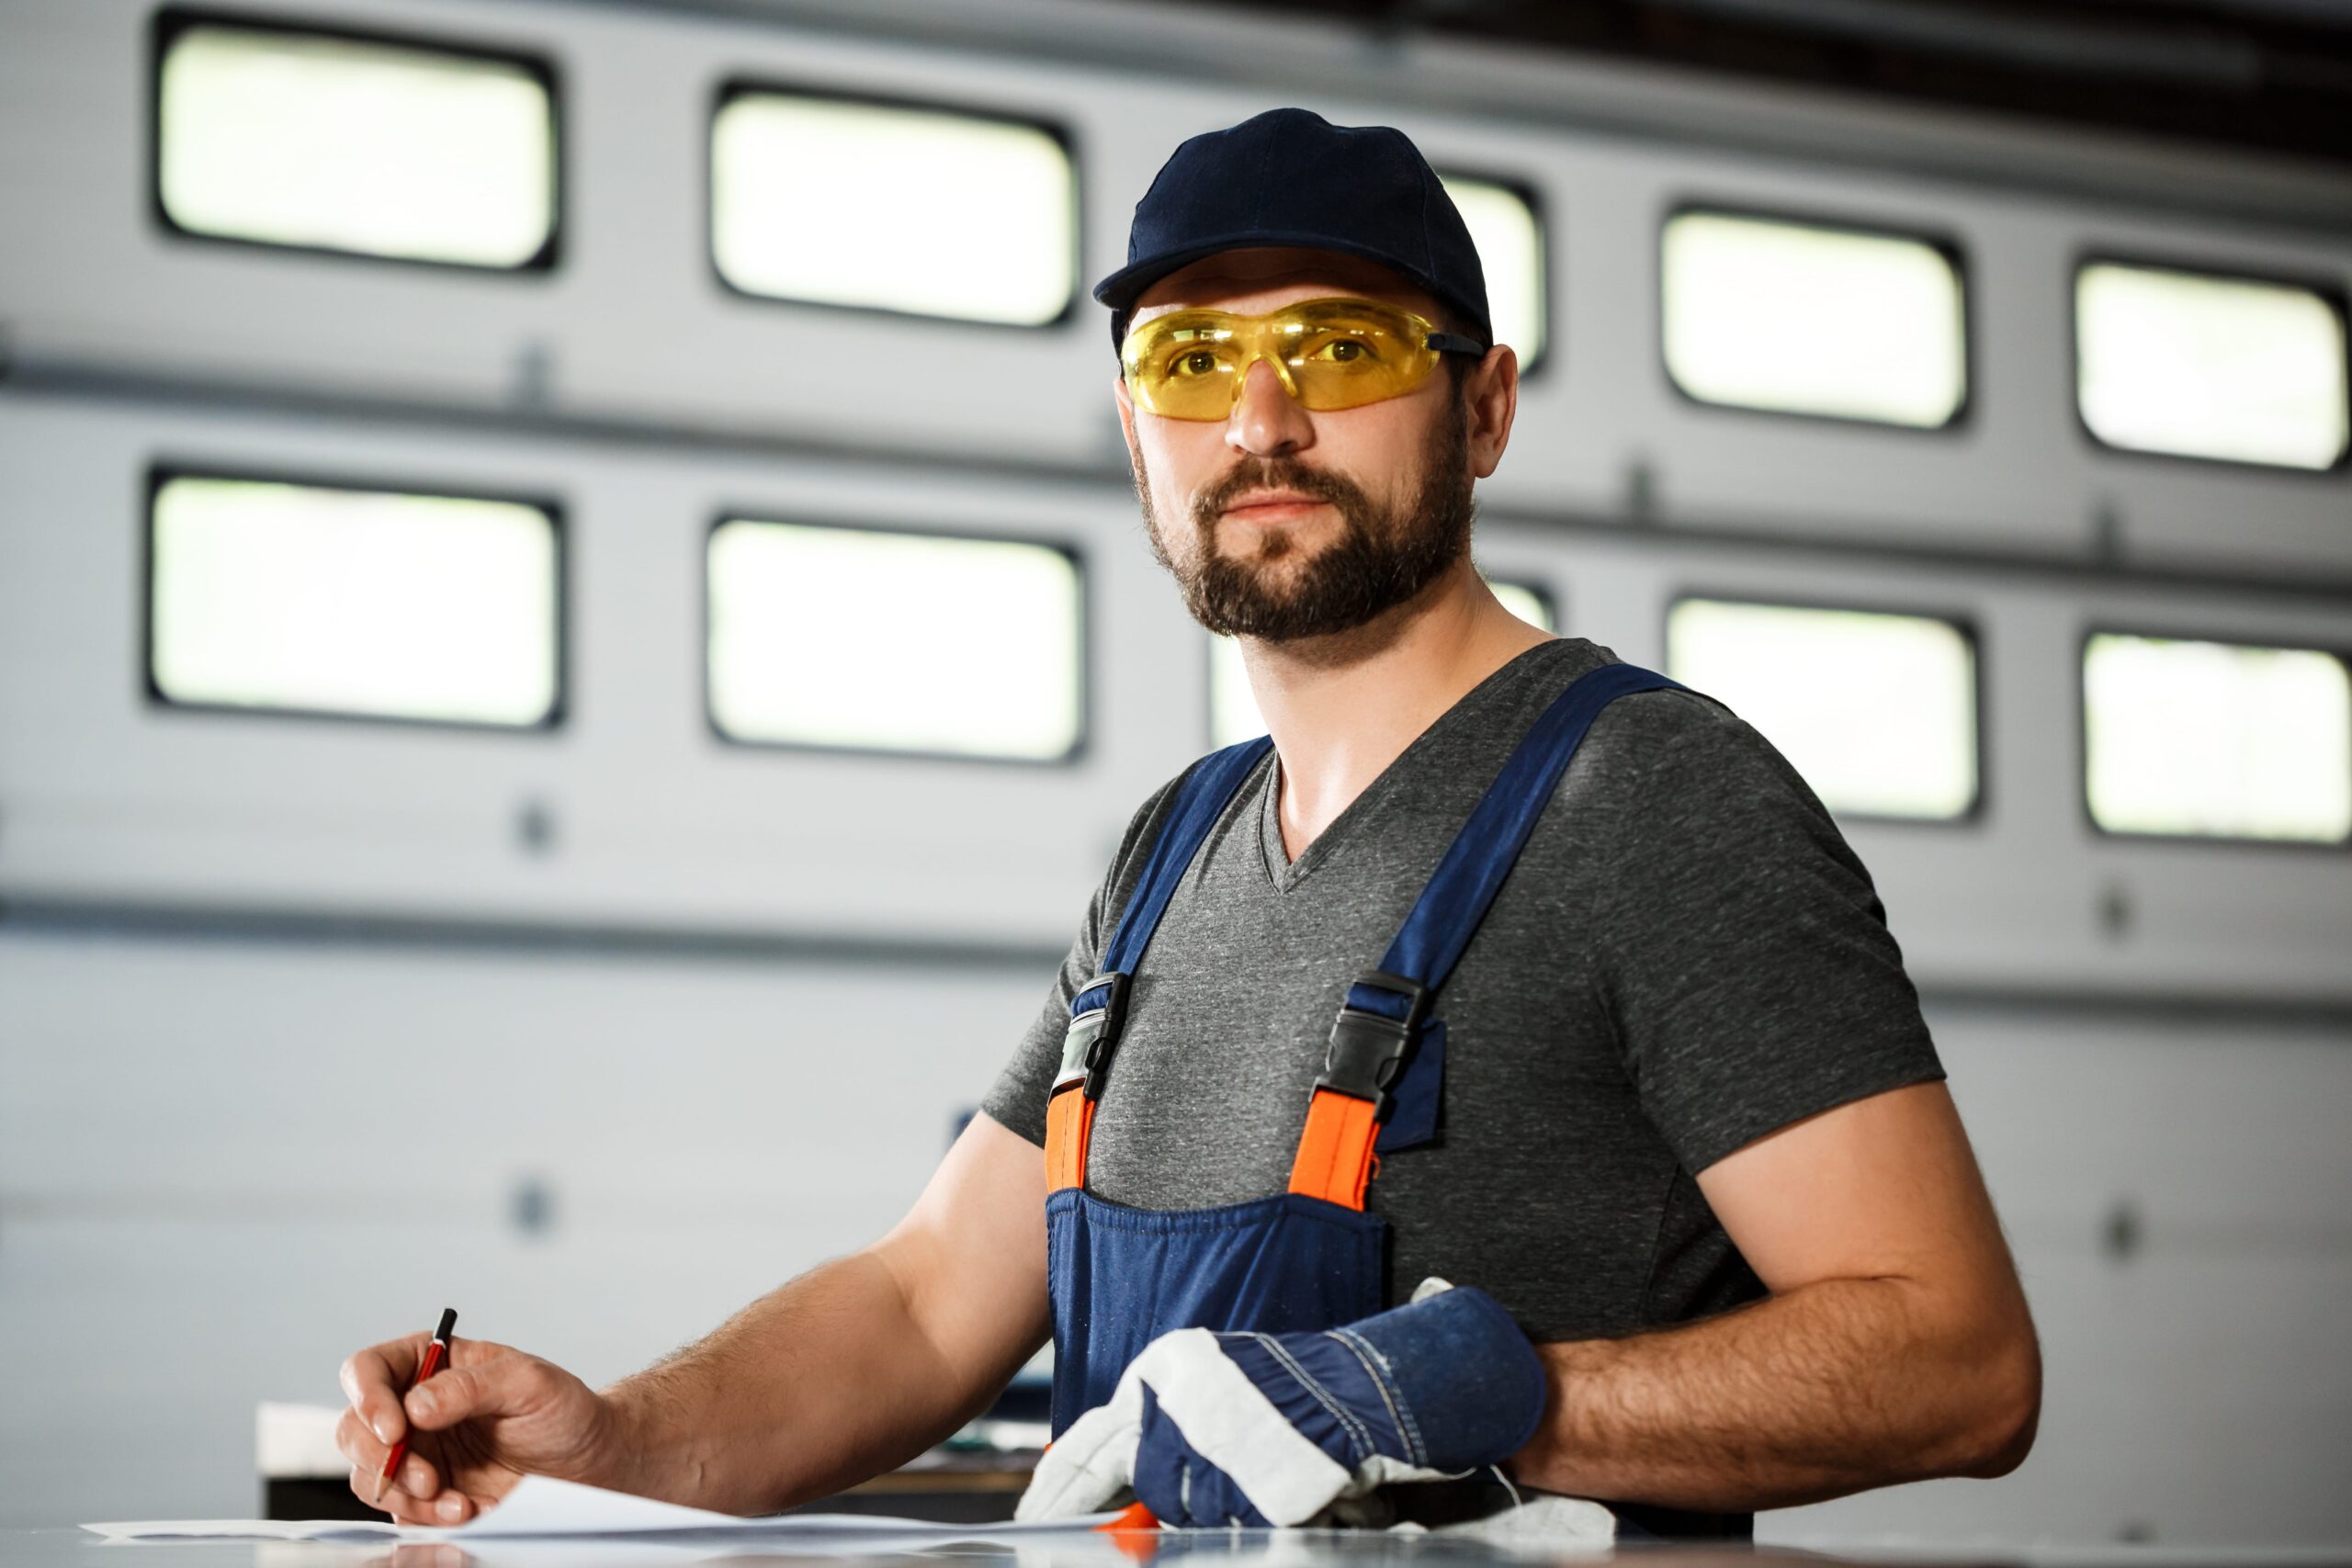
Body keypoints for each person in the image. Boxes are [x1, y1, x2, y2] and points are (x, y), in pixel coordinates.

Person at [334, 107, 2040, 1540]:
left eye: (1343, 347)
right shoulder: (1176, 849)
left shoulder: (1647, 798)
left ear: (1489, 408)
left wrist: (1477, 1394)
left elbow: (1959, 1361)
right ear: (1140, 437)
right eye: (1194, 359)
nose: (1262, 419)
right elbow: (932, 1302)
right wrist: (609, 1430)